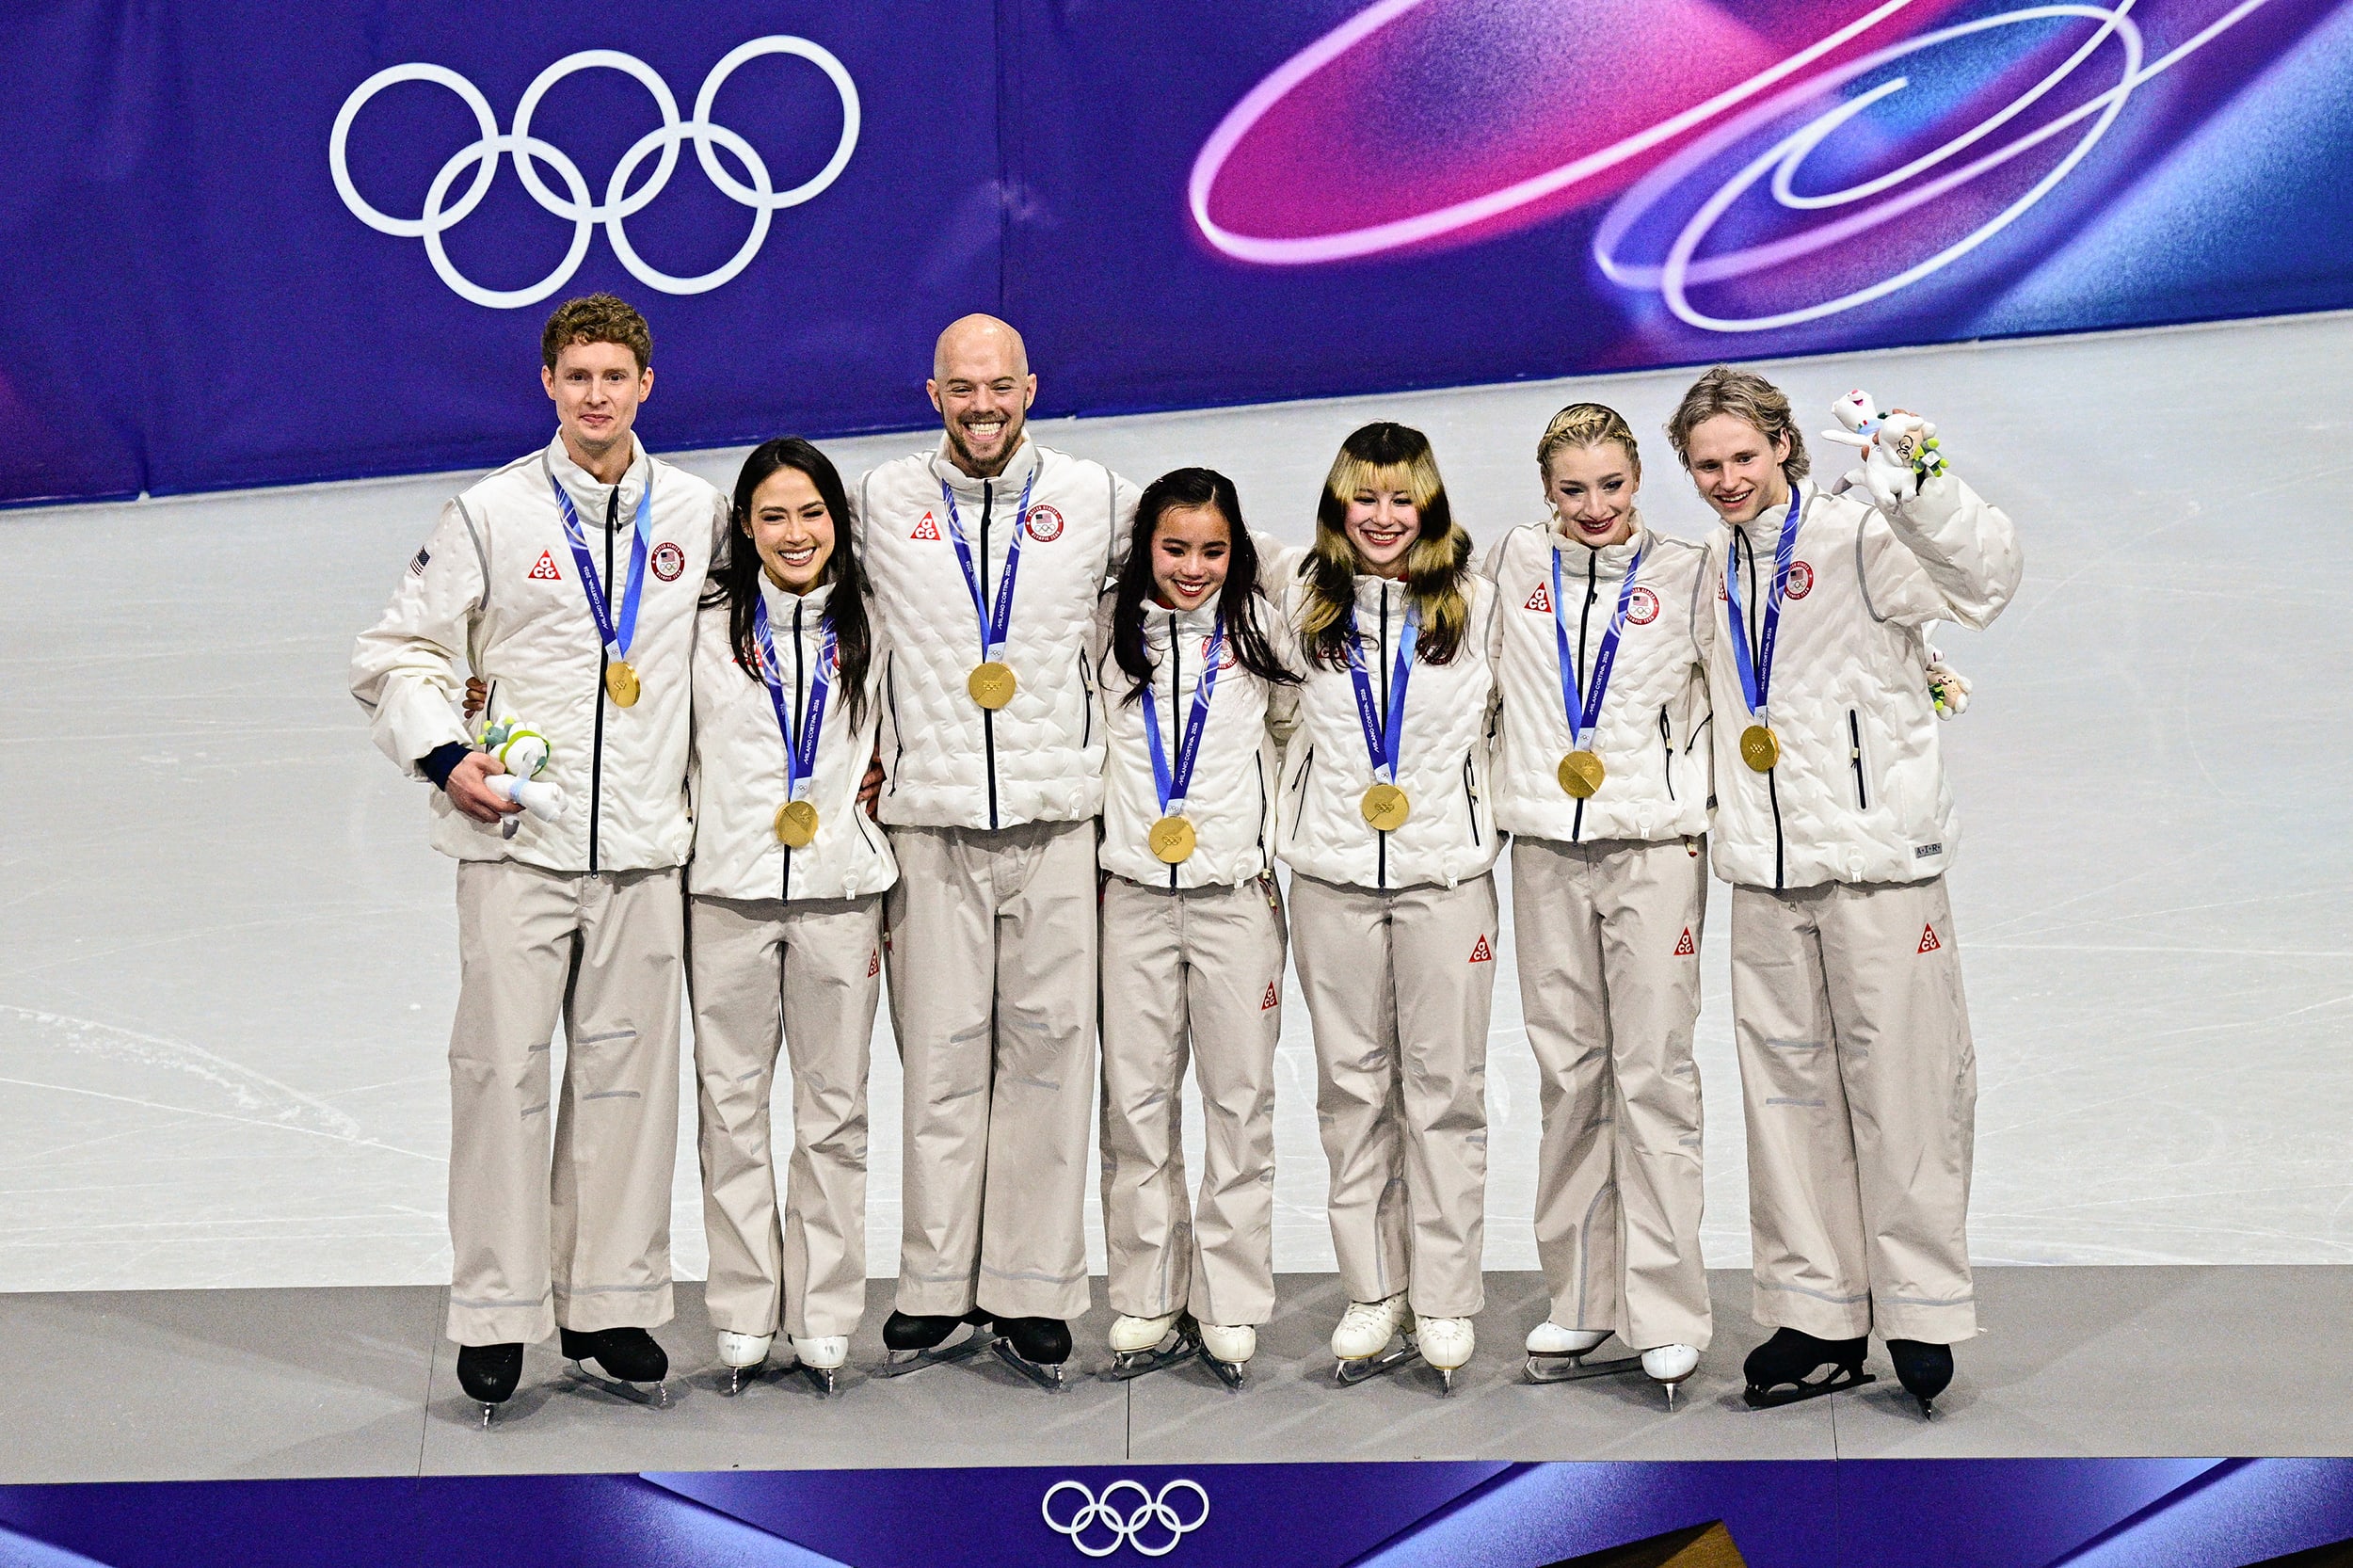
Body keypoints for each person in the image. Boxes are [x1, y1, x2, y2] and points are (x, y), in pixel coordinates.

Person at [350, 294, 726, 1416]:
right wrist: (445, 754)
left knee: (629, 1086)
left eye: (615, 376)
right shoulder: (491, 513)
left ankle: (609, 1308)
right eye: (577, 378)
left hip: (646, 854)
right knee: (502, 1078)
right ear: (548, 386)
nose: (596, 396)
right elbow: (395, 653)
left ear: (647, 385)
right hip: (515, 843)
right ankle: (496, 1316)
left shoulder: (699, 514)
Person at [1668, 366, 2021, 1416]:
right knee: (1787, 1103)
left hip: (1878, 871)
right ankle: (1816, 1311)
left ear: (1782, 444)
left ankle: (1921, 1308)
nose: (1727, 479)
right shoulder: (1703, 575)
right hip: (1766, 882)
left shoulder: (1862, 536)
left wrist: (1917, 486)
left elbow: (1984, 582)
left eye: (1742, 455)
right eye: (1706, 465)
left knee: (1906, 1094)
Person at [854, 315, 1139, 1388]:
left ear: (1031, 388)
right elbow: (770, 590)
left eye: (1000, 387)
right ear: (933, 393)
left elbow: (1202, 575)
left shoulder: (1096, 498)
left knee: (1049, 1064)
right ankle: (933, 1287)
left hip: (1057, 821)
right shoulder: (882, 502)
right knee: (936, 1061)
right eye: (962, 389)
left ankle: (1030, 1288)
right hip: (926, 825)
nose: (982, 406)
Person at [1482, 404, 1714, 1403]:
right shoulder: (1509, 565)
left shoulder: (1687, 571)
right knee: (1570, 1075)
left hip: (1655, 850)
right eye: (1572, 490)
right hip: (1543, 848)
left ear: (1637, 481)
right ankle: (1580, 1290)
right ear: (1545, 488)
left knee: (1652, 1073)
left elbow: (1751, 679)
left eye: (1611, 486)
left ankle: (1664, 1305)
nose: (1593, 508)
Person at [1272, 421, 1500, 1393]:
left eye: (1400, 497)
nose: (1381, 516)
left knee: (1444, 1093)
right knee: (1353, 1090)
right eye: (1363, 497)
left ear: (1430, 505)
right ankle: (1374, 1288)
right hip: (1329, 874)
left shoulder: (1478, 605)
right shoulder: (1297, 603)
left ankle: (1444, 1292)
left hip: (1447, 874)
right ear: (1337, 505)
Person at [685, 437, 895, 1398]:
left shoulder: (877, 624)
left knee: (834, 1115)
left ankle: (822, 1311)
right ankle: (740, 1307)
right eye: (773, 516)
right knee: (730, 1109)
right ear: (744, 527)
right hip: (725, 893)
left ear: (837, 524)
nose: (795, 533)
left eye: (811, 514)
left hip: (839, 897)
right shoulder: (699, 628)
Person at [1092, 468, 1298, 1388]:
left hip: (1232, 899)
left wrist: (1269, 839)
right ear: (1146, 547)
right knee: (1135, 1103)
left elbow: (1297, 733)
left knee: (1238, 1103)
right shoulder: (1105, 630)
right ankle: (1145, 1289)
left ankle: (1228, 1298)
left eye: (1212, 550)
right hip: (1130, 895)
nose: (1192, 567)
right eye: (1175, 549)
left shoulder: (1258, 625)